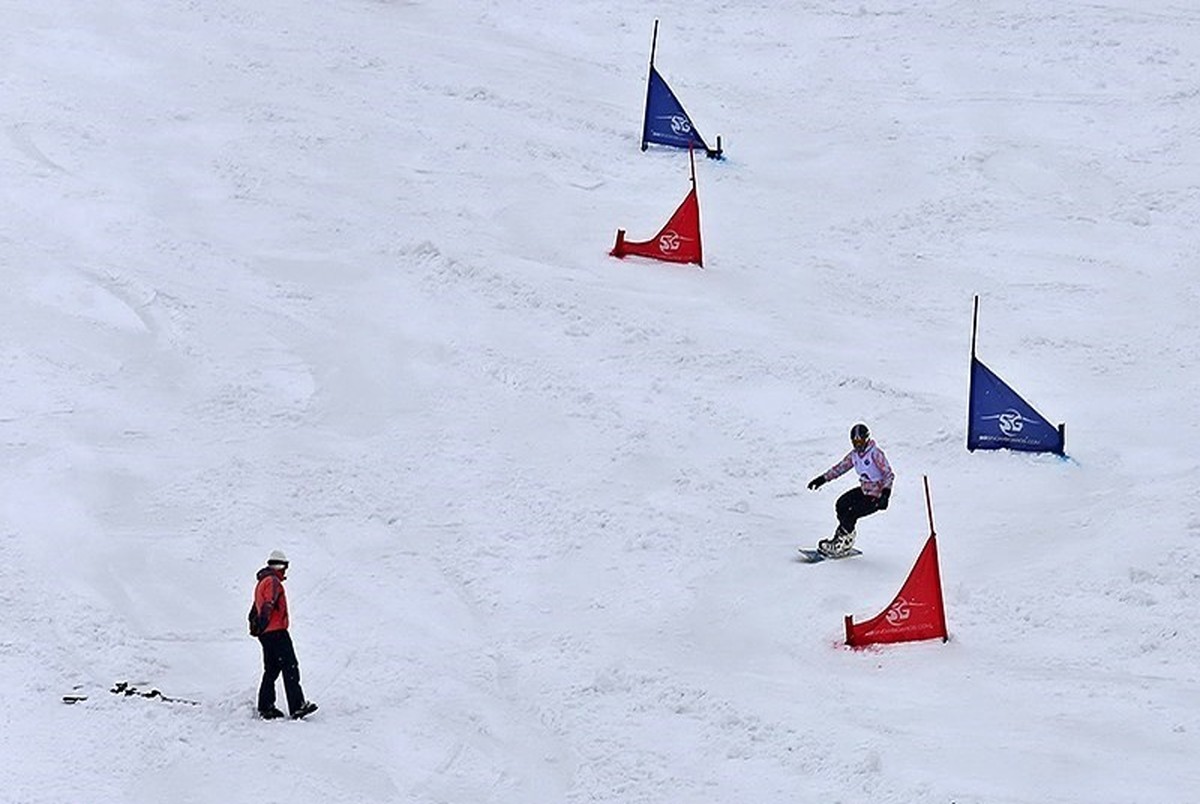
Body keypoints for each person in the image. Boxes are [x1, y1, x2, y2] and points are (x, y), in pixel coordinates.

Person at [806, 423, 894, 557]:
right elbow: (840, 468)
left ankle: (840, 541)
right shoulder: (854, 455)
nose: (858, 445)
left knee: (852, 513)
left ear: (866, 439)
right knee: (842, 504)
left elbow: (888, 474)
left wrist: (885, 495)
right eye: (855, 441)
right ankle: (847, 537)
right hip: (865, 490)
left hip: (877, 495)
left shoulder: (875, 454)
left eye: (860, 441)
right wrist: (822, 479)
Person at [251, 550, 317, 720]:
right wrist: (265, 622)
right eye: (285, 567)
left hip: (266, 634)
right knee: (290, 666)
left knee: (271, 669)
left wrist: (257, 628)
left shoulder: (261, 583)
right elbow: (268, 604)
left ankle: (266, 707)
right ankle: (297, 706)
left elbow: (254, 609)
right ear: (280, 566)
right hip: (277, 632)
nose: (285, 572)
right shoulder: (273, 582)